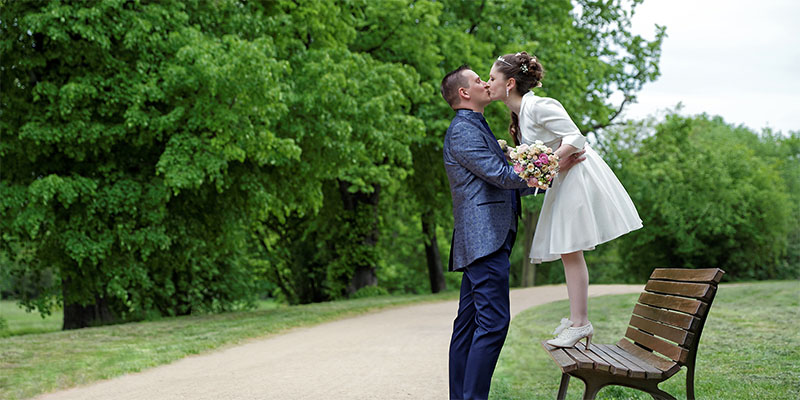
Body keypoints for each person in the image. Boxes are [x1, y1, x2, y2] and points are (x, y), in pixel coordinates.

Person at [440, 65, 585, 400]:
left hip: (484, 239)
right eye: (478, 80)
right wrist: (552, 165)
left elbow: (504, 184)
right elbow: (501, 175)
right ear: (464, 93)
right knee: (492, 325)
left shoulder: (475, 126)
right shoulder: (464, 129)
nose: (485, 83)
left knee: (468, 325)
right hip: (483, 240)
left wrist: (549, 177)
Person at [487, 52, 643, 350]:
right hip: (562, 178)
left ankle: (581, 323)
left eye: (492, 78)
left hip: (576, 177)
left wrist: (551, 163)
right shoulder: (522, 114)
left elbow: (575, 137)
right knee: (568, 252)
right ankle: (577, 321)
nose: (488, 83)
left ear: (509, 83)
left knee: (570, 249)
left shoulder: (540, 106)